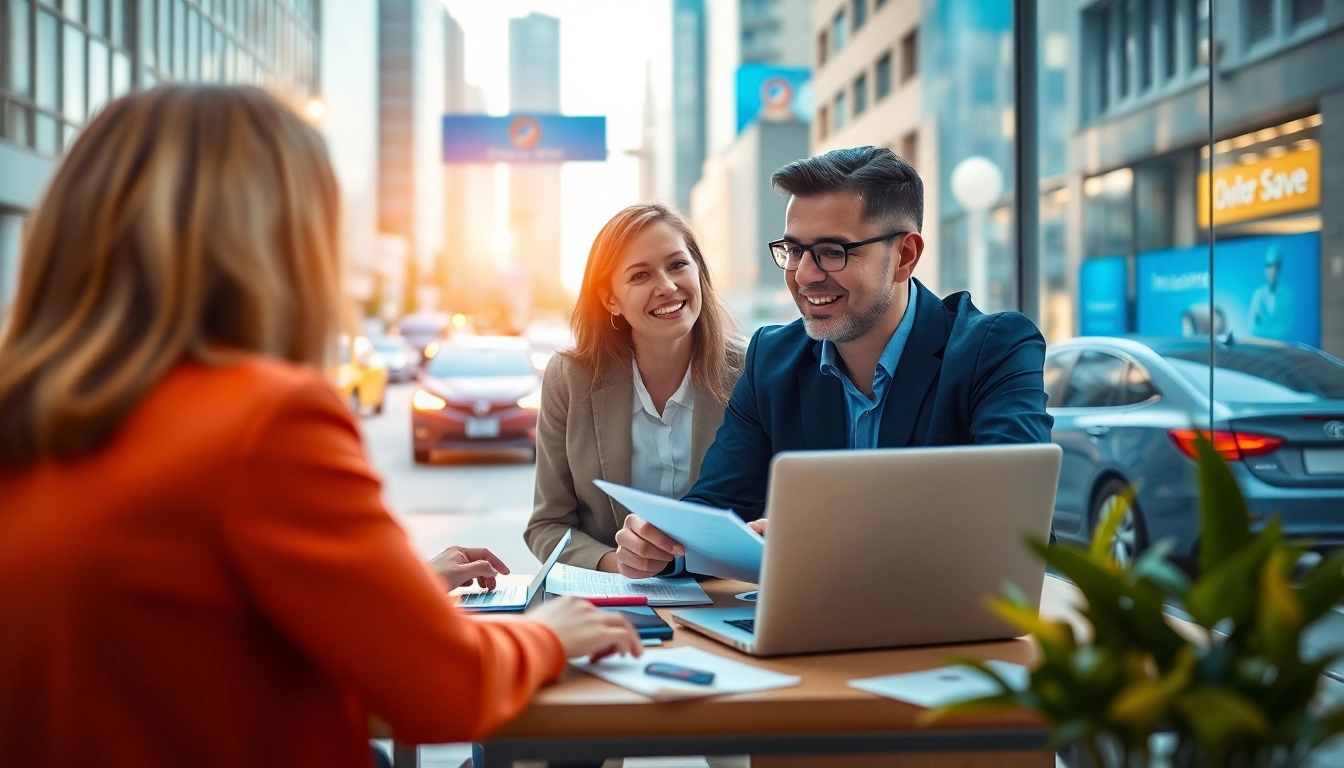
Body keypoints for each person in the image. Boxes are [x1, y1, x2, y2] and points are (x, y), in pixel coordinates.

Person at [0, 85, 641, 768]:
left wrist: (405, 593)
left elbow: (189, 624)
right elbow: (446, 690)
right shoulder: (264, 419)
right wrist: (551, 634)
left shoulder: (31, 414)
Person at [613, 146, 1055, 579]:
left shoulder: (994, 349)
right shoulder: (771, 360)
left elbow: (1018, 521)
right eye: (794, 250)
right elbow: (716, 504)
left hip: (957, 627)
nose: (804, 274)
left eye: (831, 251)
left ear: (904, 256)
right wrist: (664, 546)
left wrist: (822, 543)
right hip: (816, 627)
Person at [525, 203, 742, 571]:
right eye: (640, 276)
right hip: (616, 602)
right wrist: (613, 562)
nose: (667, 286)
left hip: (727, 597)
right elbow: (547, 526)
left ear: (699, 271)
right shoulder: (570, 377)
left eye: (677, 265)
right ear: (611, 299)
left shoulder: (751, 369)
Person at [1249, 245, 1292, 339]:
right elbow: (1253, 328)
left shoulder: (1287, 296)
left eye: (1275, 266)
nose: (1272, 271)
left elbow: (1287, 328)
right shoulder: (1258, 294)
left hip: (1281, 350)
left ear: (1279, 268)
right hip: (1262, 350)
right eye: (1269, 266)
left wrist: (1266, 327)